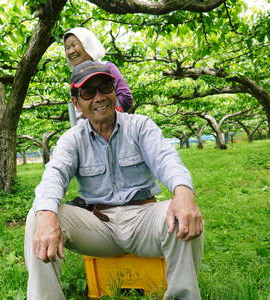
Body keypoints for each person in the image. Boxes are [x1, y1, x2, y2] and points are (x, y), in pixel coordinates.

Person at [24, 61, 204, 300]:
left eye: (105, 87)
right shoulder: (72, 139)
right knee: (39, 215)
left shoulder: (140, 126)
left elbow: (166, 160)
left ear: (114, 91)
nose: (99, 97)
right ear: (77, 104)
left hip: (144, 220)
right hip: (98, 226)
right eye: (88, 92)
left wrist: (183, 193)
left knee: (181, 213)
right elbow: (54, 175)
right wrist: (46, 215)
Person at [63, 27, 133, 112]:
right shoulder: (75, 78)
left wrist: (102, 111)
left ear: (87, 44)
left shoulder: (107, 67)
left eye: (74, 45)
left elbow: (126, 97)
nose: (71, 51)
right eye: (67, 48)